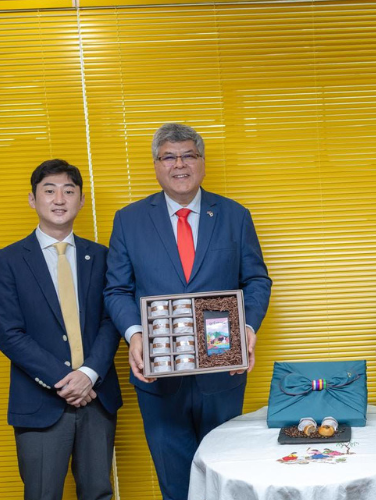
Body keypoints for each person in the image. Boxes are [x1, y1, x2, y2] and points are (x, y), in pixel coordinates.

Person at [104, 123, 272, 500]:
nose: (179, 164)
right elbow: (117, 289)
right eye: (169, 156)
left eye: (188, 155)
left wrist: (246, 326)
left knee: (227, 481)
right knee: (176, 487)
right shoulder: (128, 220)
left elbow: (257, 281)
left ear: (202, 162)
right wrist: (135, 334)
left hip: (222, 374)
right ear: (156, 165)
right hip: (159, 379)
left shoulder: (234, 215)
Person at [0, 159, 122, 500]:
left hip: (96, 399)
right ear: (33, 200)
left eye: (69, 190)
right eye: (49, 190)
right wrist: (68, 381)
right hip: (40, 402)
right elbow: (9, 333)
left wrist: (89, 374)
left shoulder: (103, 257)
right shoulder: (8, 260)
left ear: (80, 200)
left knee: (98, 493)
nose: (59, 198)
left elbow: (112, 321)